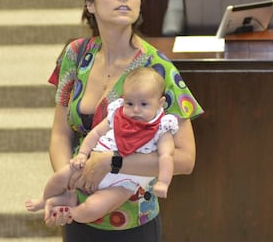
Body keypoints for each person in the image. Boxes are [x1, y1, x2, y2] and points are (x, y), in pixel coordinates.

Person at [44, 0, 203, 242]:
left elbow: (185, 159)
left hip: (133, 220)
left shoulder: (158, 69)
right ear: (90, 4)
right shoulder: (76, 54)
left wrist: (114, 162)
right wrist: (67, 181)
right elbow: (60, 133)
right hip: (78, 206)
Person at [25, 67, 178, 223]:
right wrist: (83, 154)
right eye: (130, 103)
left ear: (160, 103)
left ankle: (72, 212)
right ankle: (46, 199)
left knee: (95, 207)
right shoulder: (117, 114)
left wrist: (163, 182)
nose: (135, 110)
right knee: (59, 177)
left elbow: (166, 156)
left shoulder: (162, 127)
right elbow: (96, 133)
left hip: (125, 182)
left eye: (144, 104)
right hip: (91, 163)